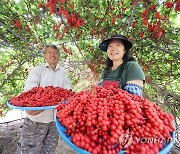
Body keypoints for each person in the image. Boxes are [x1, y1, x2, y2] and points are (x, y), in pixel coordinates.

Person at [16, 44, 71, 154]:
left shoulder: (63, 73)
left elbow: (67, 93)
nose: (53, 55)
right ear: (44, 55)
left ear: (59, 56)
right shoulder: (37, 70)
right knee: (29, 150)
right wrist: (34, 105)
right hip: (36, 120)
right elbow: (30, 93)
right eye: (49, 52)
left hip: (54, 122)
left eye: (55, 53)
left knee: (49, 150)